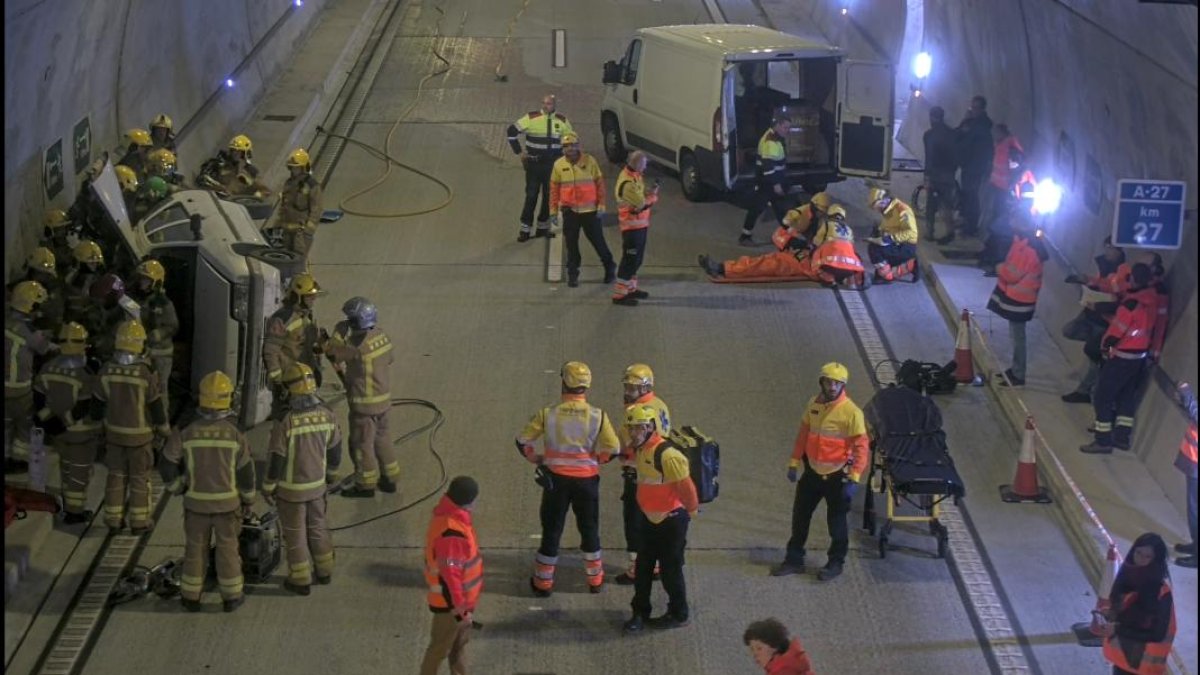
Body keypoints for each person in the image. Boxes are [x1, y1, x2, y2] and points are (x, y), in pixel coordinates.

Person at [515, 361, 620, 596]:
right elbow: (613, 448)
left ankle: (543, 583)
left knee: (552, 530)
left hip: (556, 482)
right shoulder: (597, 416)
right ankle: (595, 580)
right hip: (587, 481)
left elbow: (523, 441)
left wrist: (537, 459)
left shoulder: (548, 414)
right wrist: (597, 460)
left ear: (564, 382)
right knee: (590, 529)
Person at [159, 370, 256, 612]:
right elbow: (246, 473)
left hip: (196, 505)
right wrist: (248, 500)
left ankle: (190, 597)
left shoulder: (186, 430)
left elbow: (167, 463)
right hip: (227, 507)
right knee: (228, 552)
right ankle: (232, 597)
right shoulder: (235, 434)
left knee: (194, 550)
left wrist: (177, 487)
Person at [771, 362, 868, 582]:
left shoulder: (852, 413)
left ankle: (835, 562)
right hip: (813, 473)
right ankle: (794, 559)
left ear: (843, 385)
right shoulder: (813, 405)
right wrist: (794, 462)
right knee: (800, 518)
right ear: (821, 382)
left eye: (837, 383)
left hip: (837, 476)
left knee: (837, 523)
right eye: (828, 381)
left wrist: (854, 477)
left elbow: (862, 447)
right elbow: (803, 434)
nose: (832, 386)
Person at [262, 363, 343, 595]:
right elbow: (335, 450)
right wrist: (330, 476)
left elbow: (276, 458)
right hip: (317, 488)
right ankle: (325, 570)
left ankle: (300, 580)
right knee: (318, 527)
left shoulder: (286, 421)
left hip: (291, 492)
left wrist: (268, 486)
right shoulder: (327, 414)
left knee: (295, 533)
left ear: (289, 391)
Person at [621, 404, 698, 633]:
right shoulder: (642, 450)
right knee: (643, 569)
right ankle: (639, 612)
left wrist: (691, 512)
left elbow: (687, 488)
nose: (633, 433)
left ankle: (679, 612)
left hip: (670, 522)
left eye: (639, 428)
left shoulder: (668, 455)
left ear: (651, 428)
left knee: (670, 570)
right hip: (649, 520)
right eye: (631, 428)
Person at [94, 320, 170, 533]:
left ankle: (113, 521)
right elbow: (156, 406)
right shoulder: (145, 373)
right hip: (141, 438)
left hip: (114, 436)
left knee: (115, 476)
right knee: (139, 480)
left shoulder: (106, 370)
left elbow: (97, 406)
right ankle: (139, 522)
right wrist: (164, 429)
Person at [321, 297, 399, 498]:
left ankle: (365, 485)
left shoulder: (355, 344)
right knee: (383, 439)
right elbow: (389, 358)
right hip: (383, 401)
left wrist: (338, 332)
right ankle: (390, 480)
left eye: (350, 319)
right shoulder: (381, 336)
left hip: (364, 405)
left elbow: (332, 353)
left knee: (362, 445)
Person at [1081, 264, 1155, 454]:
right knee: (1126, 396)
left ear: (1132, 280)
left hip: (1121, 357)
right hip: (1138, 358)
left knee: (1102, 397)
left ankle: (1103, 440)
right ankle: (1122, 437)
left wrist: (1106, 347)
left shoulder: (1130, 305)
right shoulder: (1152, 299)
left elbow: (1116, 331)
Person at [33, 322, 101, 524]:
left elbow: (38, 397)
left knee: (66, 468)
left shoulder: (48, 367)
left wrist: (49, 421)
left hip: (58, 433)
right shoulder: (86, 374)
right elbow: (84, 406)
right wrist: (65, 422)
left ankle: (69, 506)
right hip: (81, 434)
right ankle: (75, 512)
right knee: (79, 474)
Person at [615, 363, 672, 586]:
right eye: (627, 386)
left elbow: (634, 444)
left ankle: (637, 567)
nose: (628, 391)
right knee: (652, 520)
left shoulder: (636, 413)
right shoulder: (660, 405)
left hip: (638, 472)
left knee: (634, 522)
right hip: (656, 472)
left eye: (632, 387)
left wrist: (619, 452)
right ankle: (654, 564)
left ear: (645, 387)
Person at [420, 476, 482, 675]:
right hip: (450, 607)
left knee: (457, 648)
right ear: (468, 501)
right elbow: (450, 578)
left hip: (458, 604)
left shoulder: (453, 519)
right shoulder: (452, 532)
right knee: (439, 650)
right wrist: (461, 612)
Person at [1062, 237, 1128, 404]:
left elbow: (1113, 291)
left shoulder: (1123, 271)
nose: (1107, 251)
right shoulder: (1104, 266)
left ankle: (1084, 391)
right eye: (1106, 247)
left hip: (1105, 320)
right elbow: (1100, 284)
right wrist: (1087, 283)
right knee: (1069, 331)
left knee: (1093, 356)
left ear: (1120, 250)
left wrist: (1093, 284)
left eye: (1111, 248)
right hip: (1091, 313)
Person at [1100, 533, 1176, 674]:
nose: (1140, 559)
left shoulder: (1159, 592)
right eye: (1138, 552)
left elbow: (1157, 634)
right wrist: (1110, 613)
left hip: (1140, 664)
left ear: (1155, 560)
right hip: (1123, 657)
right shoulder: (1127, 574)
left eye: (1147, 556)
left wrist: (1117, 630)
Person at [985, 219, 1047, 387]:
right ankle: (1015, 369)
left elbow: (1012, 273)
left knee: (1018, 338)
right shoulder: (1022, 244)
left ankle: (1018, 374)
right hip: (1018, 299)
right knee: (1016, 336)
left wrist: (998, 266)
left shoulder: (1028, 250)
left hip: (1020, 300)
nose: (1012, 226)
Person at [549, 133, 616, 288]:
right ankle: (573, 273)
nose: (570, 149)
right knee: (571, 245)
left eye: (572, 145)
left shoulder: (589, 161)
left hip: (590, 211)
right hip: (570, 211)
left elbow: (599, 185)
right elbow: (554, 189)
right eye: (566, 146)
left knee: (598, 242)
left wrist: (601, 205)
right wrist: (553, 210)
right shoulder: (558, 165)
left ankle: (609, 267)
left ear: (578, 146)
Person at [508, 94, 574, 242]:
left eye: (549, 104)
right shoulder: (531, 118)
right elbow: (511, 132)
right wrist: (519, 152)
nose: (546, 106)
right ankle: (525, 229)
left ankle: (542, 228)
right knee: (531, 195)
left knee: (549, 197)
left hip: (552, 166)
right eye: (544, 103)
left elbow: (570, 141)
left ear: (555, 105)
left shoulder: (562, 121)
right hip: (534, 164)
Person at [5, 281, 55, 474]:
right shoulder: (31, 332)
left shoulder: (7, 322)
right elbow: (44, 348)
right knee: (23, 426)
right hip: (20, 388)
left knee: (5, 423)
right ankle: (18, 461)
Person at [263, 273, 324, 417]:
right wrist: (279, 382)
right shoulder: (282, 319)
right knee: (287, 424)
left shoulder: (305, 316)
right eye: (309, 297)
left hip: (306, 380)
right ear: (297, 297)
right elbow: (270, 351)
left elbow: (305, 345)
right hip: (289, 383)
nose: (313, 299)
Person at [127, 259, 178, 415]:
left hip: (161, 354)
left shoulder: (164, 303)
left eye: (146, 279)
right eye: (141, 278)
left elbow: (173, 326)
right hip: (143, 351)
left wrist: (157, 335)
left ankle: (163, 421)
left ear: (156, 282)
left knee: (160, 389)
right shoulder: (137, 299)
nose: (142, 282)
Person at [611, 151, 660, 306]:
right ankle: (619, 295)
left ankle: (631, 289)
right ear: (638, 164)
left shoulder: (634, 176)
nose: (646, 167)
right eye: (644, 164)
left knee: (636, 261)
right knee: (629, 261)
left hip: (639, 225)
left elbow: (639, 197)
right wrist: (653, 196)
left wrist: (646, 194)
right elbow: (641, 204)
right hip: (631, 228)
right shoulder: (628, 183)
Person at [942, 95, 993, 243]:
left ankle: (971, 227)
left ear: (982, 109)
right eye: (972, 107)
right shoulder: (972, 123)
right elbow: (959, 134)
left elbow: (976, 146)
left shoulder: (982, 126)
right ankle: (966, 222)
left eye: (976, 108)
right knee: (966, 194)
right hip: (967, 165)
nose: (973, 110)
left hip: (974, 168)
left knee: (971, 196)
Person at [740, 117, 794, 246]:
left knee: (780, 209)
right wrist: (776, 185)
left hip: (768, 181)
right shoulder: (770, 142)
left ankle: (789, 236)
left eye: (788, 128)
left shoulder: (774, 137)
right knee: (758, 208)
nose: (787, 131)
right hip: (768, 183)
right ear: (777, 125)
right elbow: (768, 167)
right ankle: (745, 236)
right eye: (785, 127)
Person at [273, 149, 322, 262]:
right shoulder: (288, 183)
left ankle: (300, 278)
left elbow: (316, 208)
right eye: (292, 167)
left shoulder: (312, 185)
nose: (294, 170)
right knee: (285, 258)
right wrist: (278, 223)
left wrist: (308, 230)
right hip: (286, 230)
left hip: (301, 232)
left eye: (297, 167)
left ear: (304, 167)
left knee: (299, 259)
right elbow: (284, 204)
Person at [865, 188, 920, 283]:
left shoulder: (902, 210)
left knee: (875, 250)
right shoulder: (888, 211)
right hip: (896, 243)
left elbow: (912, 232)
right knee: (876, 247)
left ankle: (887, 276)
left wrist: (889, 239)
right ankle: (885, 272)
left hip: (906, 246)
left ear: (884, 201)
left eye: (877, 206)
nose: (877, 210)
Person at [8, 246, 66, 335]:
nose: (43, 277)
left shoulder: (52, 292)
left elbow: (55, 319)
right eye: (39, 273)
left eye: (46, 275)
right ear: (31, 270)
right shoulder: (15, 287)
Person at [811, 206, 869, 290]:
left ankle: (829, 280)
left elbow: (817, 241)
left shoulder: (827, 224)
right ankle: (850, 281)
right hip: (849, 267)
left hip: (830, 265)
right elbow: (851, 245)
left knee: (817, 254)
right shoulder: (848, 229)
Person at [923, 106, 958, 240]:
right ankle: (950, 231)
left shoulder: (929, 135)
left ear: (932, 117)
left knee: (931, 204)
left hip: (935, 175)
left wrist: (927, 176)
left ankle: (930, 232)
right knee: (946, 204)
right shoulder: (952, 134)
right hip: (948, 174)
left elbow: (929, 157)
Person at [1174, 383, 1197, 568]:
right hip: (1194, 464)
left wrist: (1186, 393)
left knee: (1196, 511)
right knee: (1193, 510)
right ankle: (1196, 545)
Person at [743, 618, 816, 675]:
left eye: (759, 648)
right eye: (752, 649)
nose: (755, 654)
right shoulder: (791, 667)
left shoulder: (784, 671)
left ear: (774, 647)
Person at [40, 208, 77, 276]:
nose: (64, 231)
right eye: (60, 229)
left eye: (64, 227)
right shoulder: (47, 246)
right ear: (52, 230)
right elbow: (61, 258)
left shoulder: (64, 242)